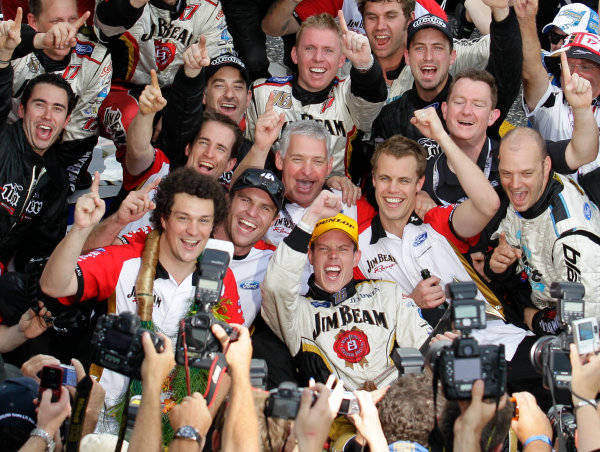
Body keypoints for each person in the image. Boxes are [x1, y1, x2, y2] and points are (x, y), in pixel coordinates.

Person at [39, 168, 243, 428]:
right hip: (104, 415)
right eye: (183, 218)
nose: (193, 231)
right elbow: (53, 285)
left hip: (173, 423)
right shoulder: (126, 260)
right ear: (164, 219)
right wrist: (80, 230)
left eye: (204, 220)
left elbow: (231, 359)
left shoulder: (222, 279)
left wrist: (199, 425)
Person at [261, 190, 433, 389]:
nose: (333, 255)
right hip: (335, 413)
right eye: (324, 248)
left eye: (343, 249)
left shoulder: (387, 293)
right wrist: (311, 217)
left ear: (356, 257)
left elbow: (424, 347)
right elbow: (275, 287)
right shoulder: (297, 312)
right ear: (310, 256)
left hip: (397, 402)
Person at [246, 12, 387, 177]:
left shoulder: (349, 95)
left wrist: (365, 64)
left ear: (342, 59)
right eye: (309, 48)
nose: (318, 58)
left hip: (339, 197)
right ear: (294, 55)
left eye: (328, 50)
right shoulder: (263, 93)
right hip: (276, 195)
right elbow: (244, 157)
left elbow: (372, 93)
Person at [485, 127, 600, 329]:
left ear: (546, 166)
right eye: (506, 173)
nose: (515, 185)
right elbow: (506, 254)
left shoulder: (571, 238)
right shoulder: (532, 191)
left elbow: (584, 327)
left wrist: (533, 319)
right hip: (534, 297)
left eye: (526, 173)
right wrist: (499, 265)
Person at [95, 0, 234, 159]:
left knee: (227, 112)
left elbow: (224, 60)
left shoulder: (207, 5)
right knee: (129, 121)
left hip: (180, 90)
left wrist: (175, 109)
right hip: (124, 90)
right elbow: (105, 25)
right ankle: (140, 179)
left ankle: (194, 178)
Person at [372, 3, 521, 143]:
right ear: (407, 57)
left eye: (438, 48)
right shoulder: (389, 118)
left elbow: (506, 74)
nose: (428, 57)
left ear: (452, 57)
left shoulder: (473, 109)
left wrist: (502, 14)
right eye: (419, 48)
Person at [0, 9, 76, 272]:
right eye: (39, 105)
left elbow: (39, 252)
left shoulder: (55, 181)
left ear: (66, 121)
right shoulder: (3, 139)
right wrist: (3, 59)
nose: (47, 115)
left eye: (57, 109)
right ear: (21, 110)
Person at [9, 0, 111, 191]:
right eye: (56, 21)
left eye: (72, 20)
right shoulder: (13, 46)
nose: (66, 29)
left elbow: (82, 131)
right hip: (9, 147)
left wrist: (49, 178)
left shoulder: (96, 58)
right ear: (33, 21)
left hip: (62, 155)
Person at [517, 0, 600, 180]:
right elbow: (530, 70)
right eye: (567, 65)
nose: (575, 74)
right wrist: (525, 18)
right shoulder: (550, 96)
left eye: (586, 66)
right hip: (552, 201)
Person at [359, 0, 493, 103]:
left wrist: (503, 14)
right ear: (363, 20)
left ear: (410, 19)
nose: (380, 26)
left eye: (391, 16)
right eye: (372, 17)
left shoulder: (439, 53)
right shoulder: (346, 64)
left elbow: (491, 49)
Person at [213, 168, 284, 325]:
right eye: (245, 200)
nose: (252, 213)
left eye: (265, 208)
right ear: (228, 201)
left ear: (274, 219)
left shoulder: (273, 262)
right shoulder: (194, 238)